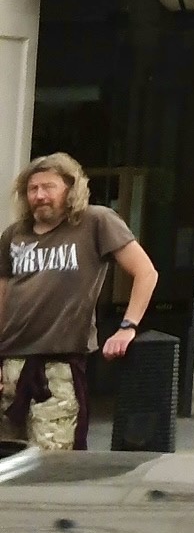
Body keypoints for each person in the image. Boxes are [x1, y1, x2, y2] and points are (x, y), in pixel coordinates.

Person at [5, 153, 158, 456]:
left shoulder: (95, 221)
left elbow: (146, 272)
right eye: (32, 189)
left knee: (52, 461)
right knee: (7, 462)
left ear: (70, 188)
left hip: (58, 367)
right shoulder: (14, 234)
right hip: (9, 363)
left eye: (48, 187)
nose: (39, 196)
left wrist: (128, 326)